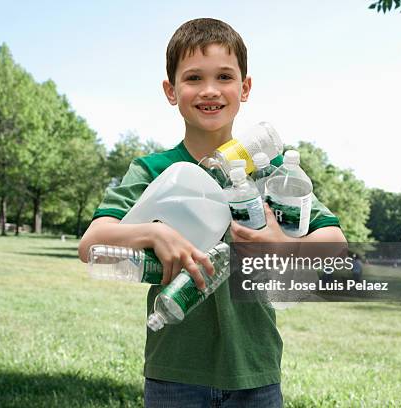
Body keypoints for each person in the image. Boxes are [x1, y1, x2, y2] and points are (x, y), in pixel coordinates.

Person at [79, 18, 346, 407]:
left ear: (245, 87)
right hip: (175, 372)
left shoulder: (272, 173)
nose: (209, 90)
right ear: (171, 91)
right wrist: (154, 233)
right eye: (193, 78)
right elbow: (92, 243)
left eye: (224, 76)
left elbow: (335, 243)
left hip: (255, 369)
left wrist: (280, 245)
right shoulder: (154, 169)